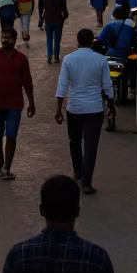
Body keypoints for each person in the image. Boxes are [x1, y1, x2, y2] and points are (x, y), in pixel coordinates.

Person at [55, 28, 114, 194]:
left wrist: (59, 109)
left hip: (74, 108)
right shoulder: (101, 59)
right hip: (94, 109)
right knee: (91, 146)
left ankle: (78, 170)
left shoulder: (69, 59)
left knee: (74, 141)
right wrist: (111, 105)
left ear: (77, 41)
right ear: (92, 42)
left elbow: (62, 85)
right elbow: (107, 85)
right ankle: (86, 183)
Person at [0, 26, 35, 180]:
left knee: (11, 135)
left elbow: (27, 82)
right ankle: (0, 159)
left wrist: (31, 102)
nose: (5, 40)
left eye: (8, 37)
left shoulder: (22, 59)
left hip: (14, 103)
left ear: (14, 39)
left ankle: (7, 168)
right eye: (3, 37)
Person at [43, 0, 68, 64]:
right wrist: (64, 17)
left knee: (49, 39)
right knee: (57, 39)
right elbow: (64, 9)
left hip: (48, 20)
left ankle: (49, 56)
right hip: (58, 20)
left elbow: (43, 8)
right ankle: (56, 56)